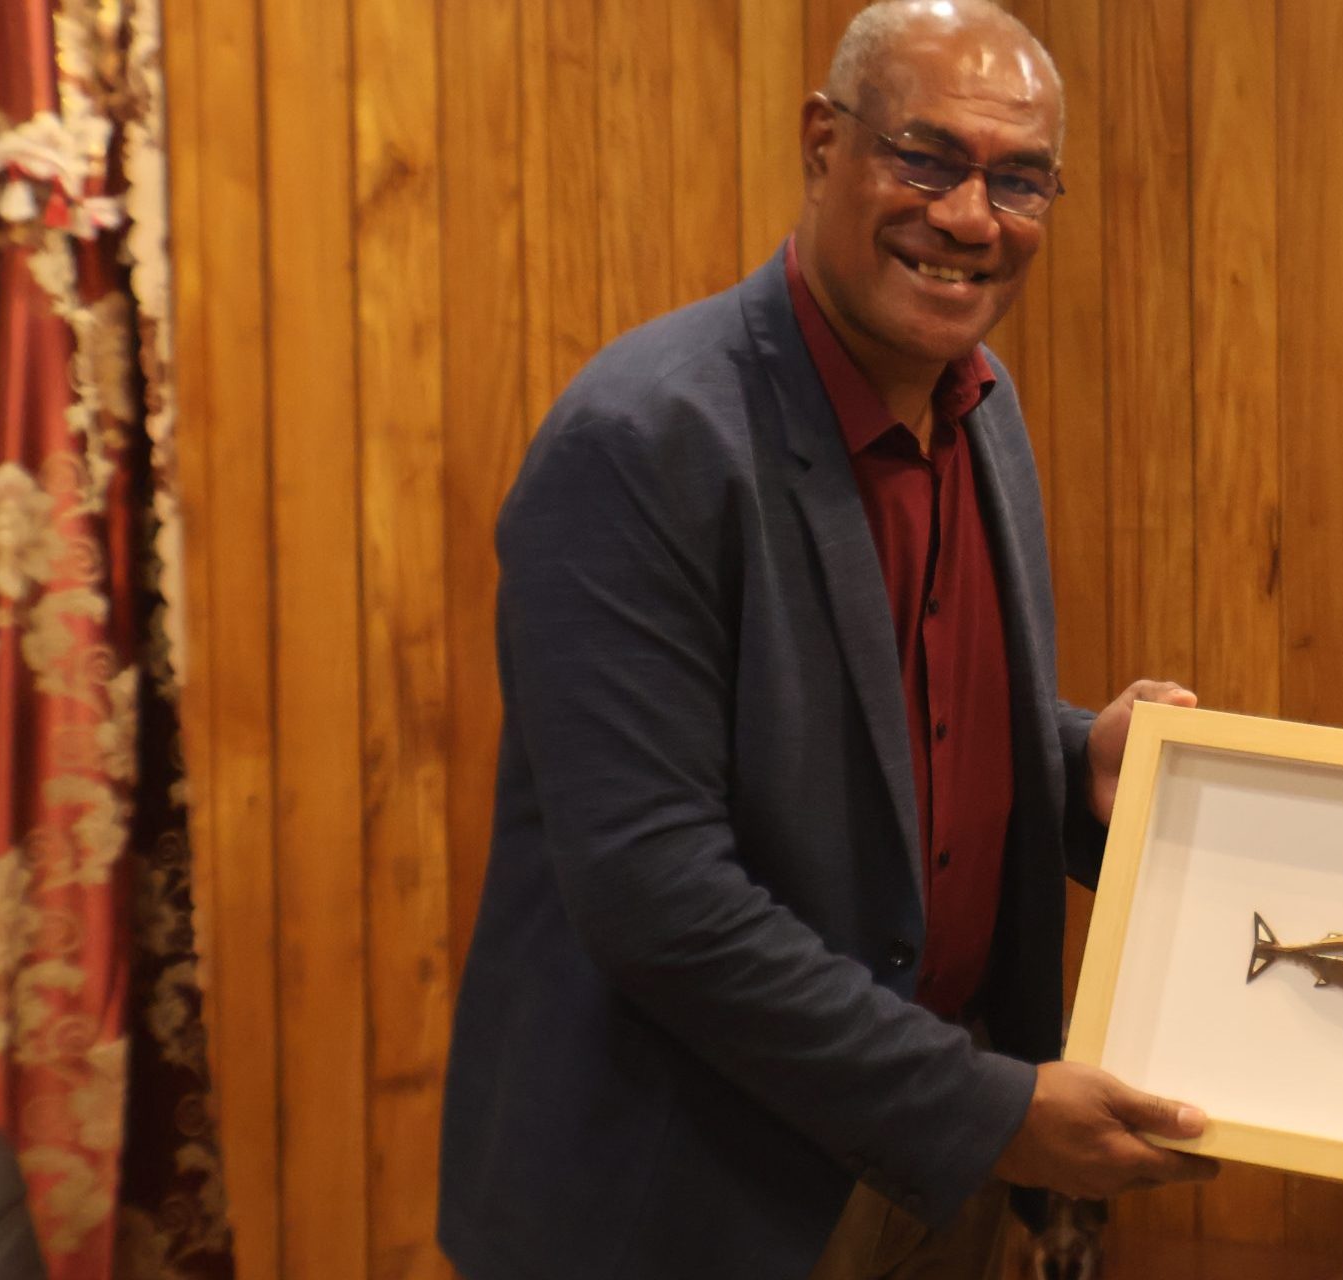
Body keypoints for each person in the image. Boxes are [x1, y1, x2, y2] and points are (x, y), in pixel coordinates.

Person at [436, 4, 1216, 1278]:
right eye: (925, 157)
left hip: (926, 1179)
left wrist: (1076, 764)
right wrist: (992, 1111)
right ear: (821, 144)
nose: (971, 217)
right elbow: (658, 896)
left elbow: (895, 740)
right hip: (685, 1209)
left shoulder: (982, 403)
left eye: (1018, 180)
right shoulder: (642, 442)